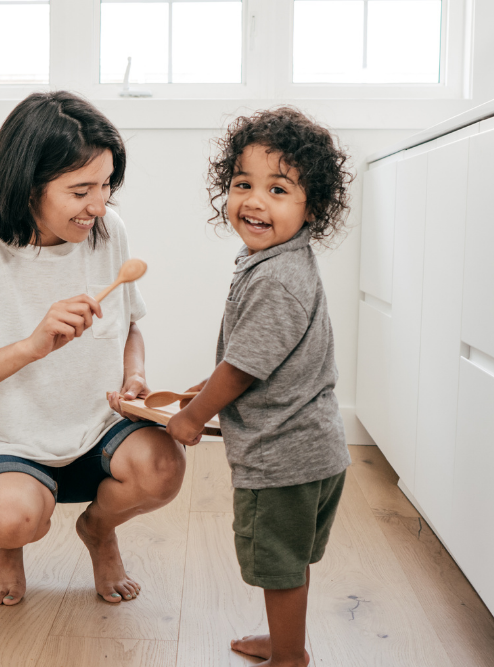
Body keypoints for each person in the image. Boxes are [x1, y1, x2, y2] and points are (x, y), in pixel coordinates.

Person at [0, 91, 185, 607]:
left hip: (100, 430)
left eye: (106, 187)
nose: (98, 207)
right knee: (11, 519)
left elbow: (129, 328)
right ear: (28, 185)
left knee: (164, 468)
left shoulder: (106, 231)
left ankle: (99, 530)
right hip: (6, 443)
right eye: (81, 191)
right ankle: (7, 548)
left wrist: (134, 376)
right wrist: (30, 347)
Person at [166, 107, 354, 667]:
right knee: (290, 560)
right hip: (315, 451)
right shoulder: (282, 262)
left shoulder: (275, 277)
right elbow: (263, 355)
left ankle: (290, 657)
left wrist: (195, 414)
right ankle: (286, 639)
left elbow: (244, 367)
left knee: (277, 564)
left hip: (282, 459)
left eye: (278, 189)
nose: (254, 201)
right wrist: (213, 383)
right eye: (242, 183)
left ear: (311, 207)